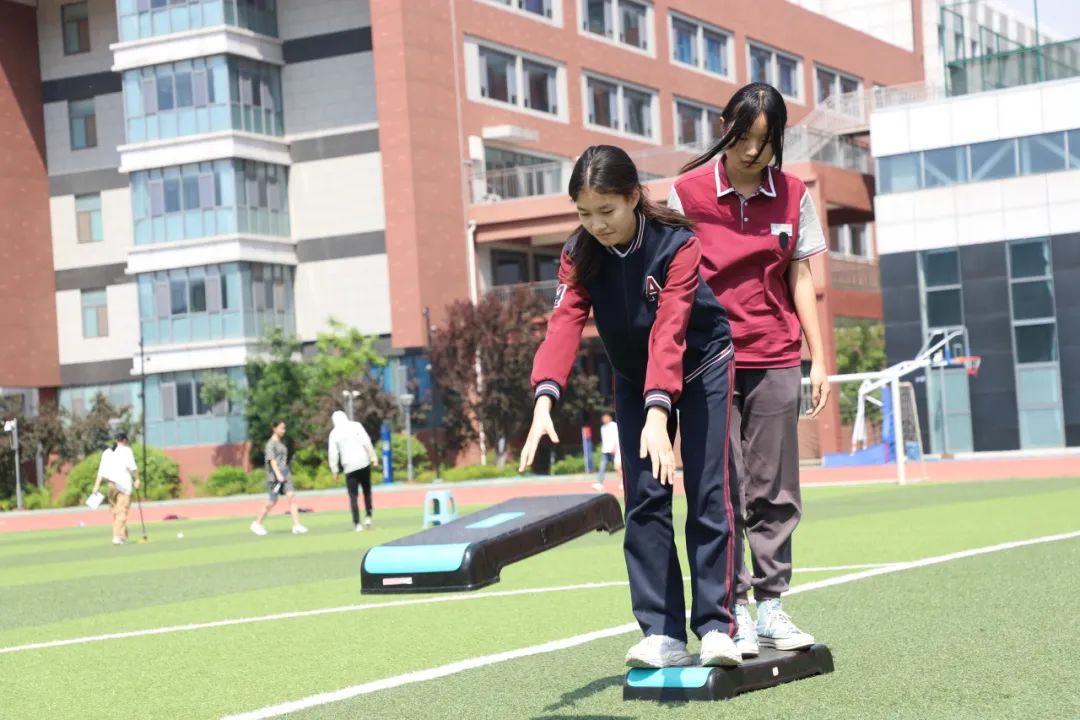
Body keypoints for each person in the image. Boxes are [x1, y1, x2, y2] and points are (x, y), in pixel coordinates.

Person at [519, 145, 741, 669]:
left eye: (606, 211)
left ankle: (716, 625)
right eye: (583, 213)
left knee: (708, 491)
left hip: (701, 363)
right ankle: (662, 632)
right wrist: (544, 398)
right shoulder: (579, 254)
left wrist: (660, 414)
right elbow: (564, 325)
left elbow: (671, 329)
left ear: (634, 197)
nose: (595, 225)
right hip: (633, 374)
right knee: (644, 497)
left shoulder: (677, 242)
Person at [668, 82, 831, 658]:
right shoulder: (687, 195)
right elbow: (673, 283)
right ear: (723, 127)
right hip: (708, 359)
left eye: (766, 143)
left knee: (776, 486)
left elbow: (802, 278)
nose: (753, 153)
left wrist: (819, 358)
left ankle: (771, 606)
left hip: (777, 354)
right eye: (744, 139)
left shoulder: (793, 195)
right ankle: (730, 606)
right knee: (723, 486)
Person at [250, 420, 308, 536]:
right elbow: (272, 461)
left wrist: (284, 473)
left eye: (284, 428)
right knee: (272, 501)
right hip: (275, 477)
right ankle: (257, 523)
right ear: (274, 428)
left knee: (291, 496)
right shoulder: (270, 444)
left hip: (285, 474)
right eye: (281, 428)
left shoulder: (281, 443)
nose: (283, 431)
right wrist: (278, 475)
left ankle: (296, 525)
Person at [328, 410, 378, 531]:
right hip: (363, 462)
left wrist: (334, 470)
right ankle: (368, 516)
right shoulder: (356, 425)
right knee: (367, 491)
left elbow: (333, 453)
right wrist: (373, 458)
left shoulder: (334, 433)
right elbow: (366, 442)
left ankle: (357, 523)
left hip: (349, 467)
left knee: (353, 496)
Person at [91, 432, 140, 545]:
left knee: (116, 512)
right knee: (122, 511)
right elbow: (133, 468)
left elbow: (101, 471)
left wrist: (96, 485)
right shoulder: (127, 451)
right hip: (123, 486)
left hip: (111, 485)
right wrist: (137, 479)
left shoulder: (107, 452)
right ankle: (117, 536)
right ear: (124, 441)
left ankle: (123, 535)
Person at [593, 412, 620, 491]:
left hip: (615, 451)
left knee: (618, 468)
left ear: (609, 418)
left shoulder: (614, 426)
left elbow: (617, 437)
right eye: (603, 418)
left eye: (605, 418)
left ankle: (623, 481)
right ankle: (599, 483)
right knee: (602, 466)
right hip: (605, 451)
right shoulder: (603, 428)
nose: (604, 420)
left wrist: (615, 447)